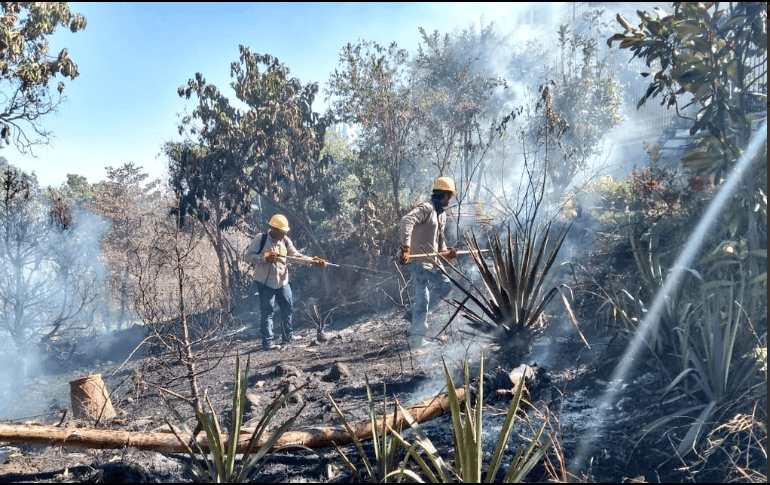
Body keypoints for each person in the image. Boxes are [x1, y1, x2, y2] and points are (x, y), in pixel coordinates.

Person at [245, 214, 327, 350]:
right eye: (281, 232)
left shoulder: (285, 240)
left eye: (284, 232)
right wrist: (264, 257)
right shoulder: (260, 239)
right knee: (267, 312)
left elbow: (295, 256)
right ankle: (268, 343)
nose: (283, 234)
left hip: (282, 281)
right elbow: (248, 257)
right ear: (274, 229)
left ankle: (288, 337)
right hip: (265, 282)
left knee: (287, 308)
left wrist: (312, 261)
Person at [399, 176, 459, 348]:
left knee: (445, 285)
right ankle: (418, 338)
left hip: (433, 261)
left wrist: (447, 253)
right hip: (417, 261)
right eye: (449, 196)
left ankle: (413, 314)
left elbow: (440, 240)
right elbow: (406, 221)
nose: (449, 200)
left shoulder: (442, 215)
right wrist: (406, 247)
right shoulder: (426, 208)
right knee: (423, 298)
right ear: (445, 195)